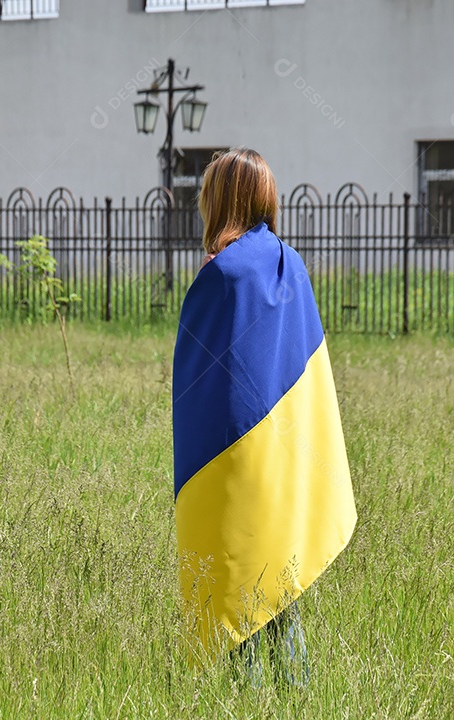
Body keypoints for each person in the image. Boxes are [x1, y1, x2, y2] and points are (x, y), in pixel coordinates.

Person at [171, 148, 357, 686]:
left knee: (240, 588)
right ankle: (296, 693)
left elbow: (199, 384)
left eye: (207, 193)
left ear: (221, 199)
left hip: (232, 457)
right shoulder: (290, 264)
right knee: (281, 583)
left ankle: (245, 699)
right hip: (290, 456)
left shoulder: (222, 274)